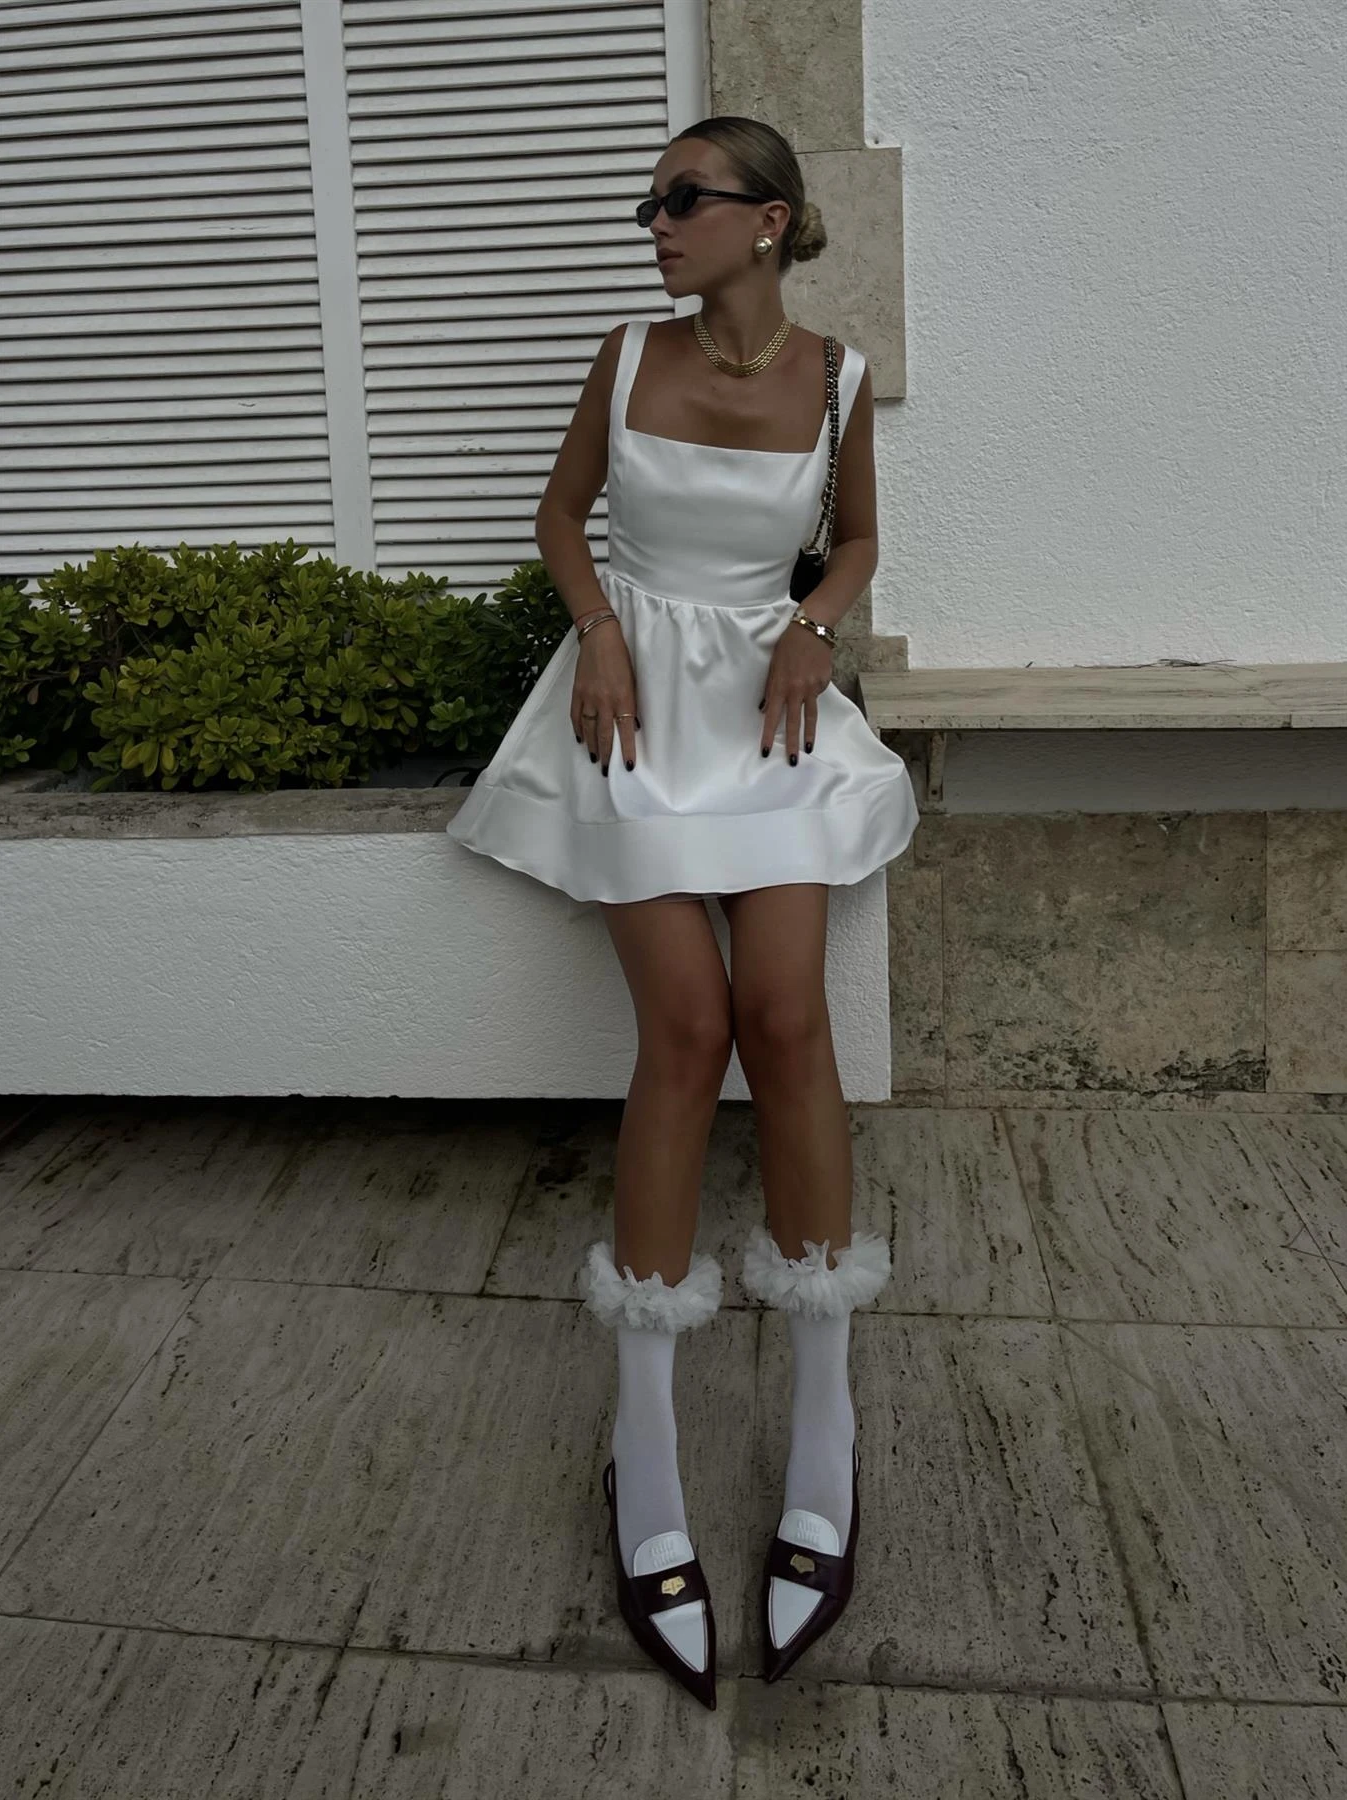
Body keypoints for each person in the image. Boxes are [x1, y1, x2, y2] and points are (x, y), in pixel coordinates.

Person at [446, 114, 920, 1706]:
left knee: (786, 1021)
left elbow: (858, 539)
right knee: (690, 1027)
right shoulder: (625, 354)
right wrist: (594, 630)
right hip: (635, 716)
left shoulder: (837, 379)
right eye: (651, 201)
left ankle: (824, 1418)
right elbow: (558, 516)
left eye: (679, 199)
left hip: (769, 718)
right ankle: (640, 1434)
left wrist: (812, 622)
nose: (652, 222)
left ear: (766, 220)